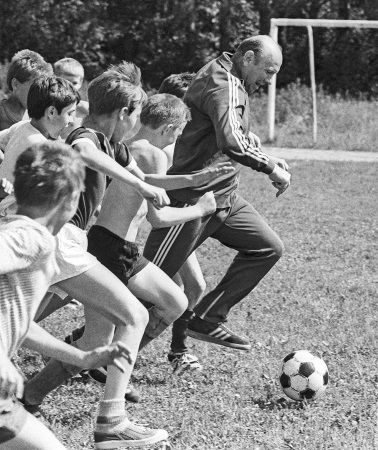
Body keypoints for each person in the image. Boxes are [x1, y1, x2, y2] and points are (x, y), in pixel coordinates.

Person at [143, 35, 292, 351]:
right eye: (268, 71)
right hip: (192, 200)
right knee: (143, 288)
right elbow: (231, 141)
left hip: (225, 199)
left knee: (267, 248)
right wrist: (271, 168)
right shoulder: (224, 82)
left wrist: (263, 153)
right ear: (249, 58)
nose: (269, 80)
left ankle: (207, 318)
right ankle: (85, 351)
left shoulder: (231, 76)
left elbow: (231, 133)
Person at [0, 141, 133, 450]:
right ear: (72, 199)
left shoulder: (28, 235)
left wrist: (80, 357)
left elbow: (16, 321)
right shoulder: (30, 238)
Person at [0, 75, 78, 208]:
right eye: (70, 113)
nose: (72, 121)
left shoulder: (22, 126)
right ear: (51, 112)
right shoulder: (41, 147)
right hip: (14, 218)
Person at [0, 50, 53, 132]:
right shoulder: (2, 114)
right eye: (35, 88)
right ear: (16, 84)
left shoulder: (39, 118)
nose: (40, 94)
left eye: (43, 89)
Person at [53, 57, 89, 139]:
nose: (70, 87)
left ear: (81, 83)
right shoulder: (49, 108)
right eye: (65, 82)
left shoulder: (84, 109)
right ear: (55, 81)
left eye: (74, 83)